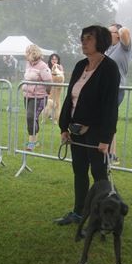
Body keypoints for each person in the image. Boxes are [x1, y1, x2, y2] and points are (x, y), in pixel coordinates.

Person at [54, 25, 120, 225]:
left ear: (100, 41)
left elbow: (110, 106)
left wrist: (106, 139)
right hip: (76, 130)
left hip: (97, 131)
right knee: (79, 172)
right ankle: (79, 213)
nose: (84, 41)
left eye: (89, 38)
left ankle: (103, 217)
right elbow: (70, 98)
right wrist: (64, 127)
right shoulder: (80, 65)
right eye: (83, 38)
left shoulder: (109, 68)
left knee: (99, 175)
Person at [105, 23, 132, 165]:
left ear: (117, 34)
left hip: (117, 89)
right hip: (104, 88)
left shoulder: (124, 47)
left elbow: (126, 33)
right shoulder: (108, 48)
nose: (107, 34)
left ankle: (111, 154)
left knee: (108, 120)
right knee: (106, 120)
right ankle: (108, 152)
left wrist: (119, 29)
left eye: (110, 32)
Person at [22, 44, 52, 151]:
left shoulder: (43, 66)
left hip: (39, 97)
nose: (25, 55)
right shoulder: (28, 64)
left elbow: (49, 82)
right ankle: (36, 141)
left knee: (31, 117)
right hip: (27, 96)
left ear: (33, 53)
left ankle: (31, 144)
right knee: (32, 118)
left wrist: (47, 93)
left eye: (27, 53)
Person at [42, 53, 65, 124]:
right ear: (50, 60)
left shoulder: (60, 67)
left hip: (57, 89)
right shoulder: (46, 66)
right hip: (49, 88)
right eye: (53, 59)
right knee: (48, 103)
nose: (54, 60)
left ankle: (55, 119)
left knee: (57, 104)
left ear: (58, 60)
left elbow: (62, 78)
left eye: (56, 59)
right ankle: (44, 118)